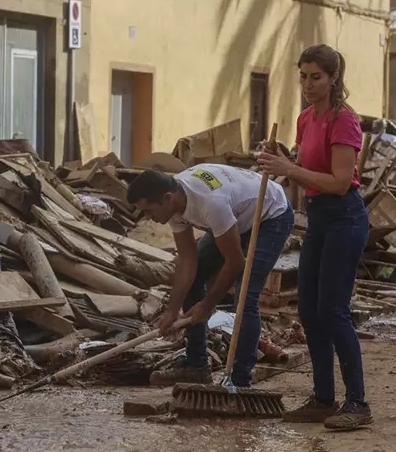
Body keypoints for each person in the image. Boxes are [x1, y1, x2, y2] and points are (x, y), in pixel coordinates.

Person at [258, 44, 372, 430]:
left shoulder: (345, 120)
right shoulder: (306, 118)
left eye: (316, 77)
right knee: (308, 310)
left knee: (333, 311)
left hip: (345, 217)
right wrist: (282, 156)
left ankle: (357, 403)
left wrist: (289, 167)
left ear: (334, 77)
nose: (307, 84)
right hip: (318, 219)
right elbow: (306, 164)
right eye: (303, 76)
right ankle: (323, 398)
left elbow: (340, 182)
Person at [126, 164, 294, 387]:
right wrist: (172, 311)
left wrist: (207, 305)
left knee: (245, 295)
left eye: (148, 211)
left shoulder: (209, 202)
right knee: (194, 278)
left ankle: (239, 379)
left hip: (270, 216)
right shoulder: (174, 205)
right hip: (237, 215)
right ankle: (197, 366)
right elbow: (188, 262)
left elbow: (234, 263)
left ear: (167, 198)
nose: (147, 218)